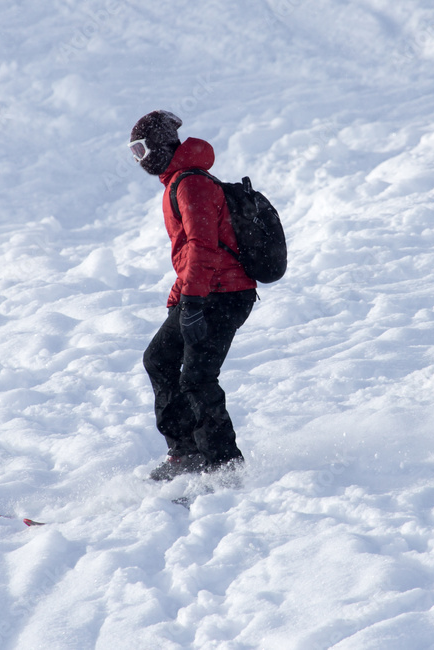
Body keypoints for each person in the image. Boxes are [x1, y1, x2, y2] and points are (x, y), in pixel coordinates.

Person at [128, 110, 257, 483]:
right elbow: (190, 252)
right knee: (159, 359)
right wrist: (179, 298)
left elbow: (204, 247)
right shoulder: (179, 182)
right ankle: (186, 452)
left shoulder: (191, 184)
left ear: (163, 145)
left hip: (224, 294)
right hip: (205, 290)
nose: (140, 160)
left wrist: (194, 304)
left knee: (198, 377)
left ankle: (224, 468)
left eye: (141, 149)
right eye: (133, 153)